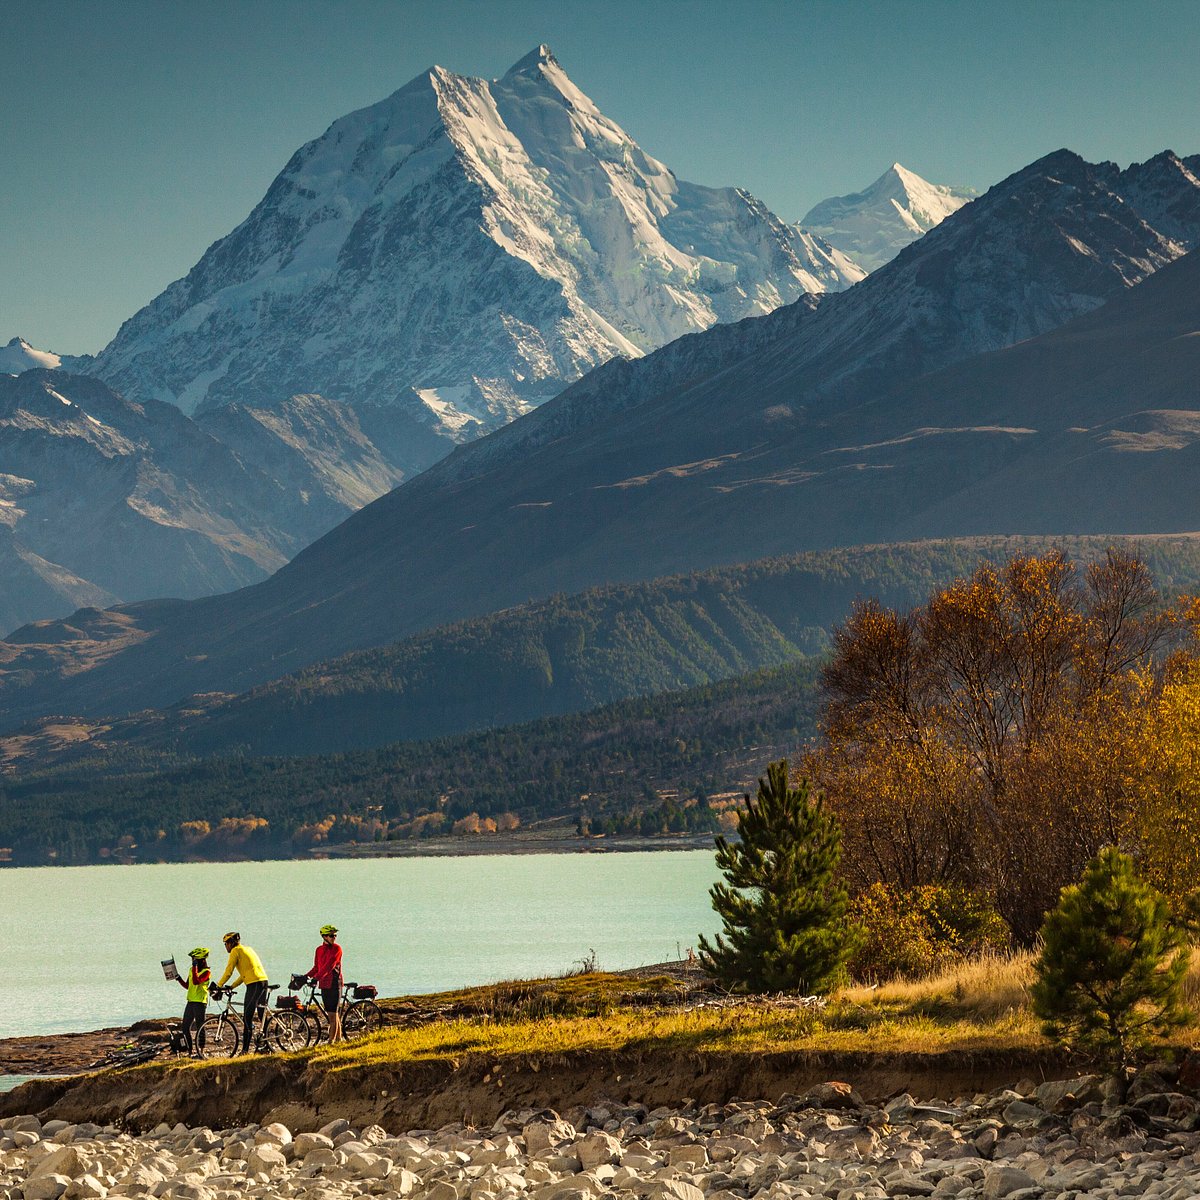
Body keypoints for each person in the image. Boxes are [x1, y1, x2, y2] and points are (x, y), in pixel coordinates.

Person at [216, 931, 269, 1054]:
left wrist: (219, 985)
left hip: (254, 984)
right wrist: (232, 986)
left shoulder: (235, 951)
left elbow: (229, 971)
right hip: (262, 981)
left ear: (231, 943)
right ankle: (265, 1045)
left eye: (225, 944)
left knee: (247, 1017)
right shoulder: (247, 949)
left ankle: (245, 1050)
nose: (225, 947)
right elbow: (245, 974)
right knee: (261, 1015)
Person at [308, 924, 344, 1043]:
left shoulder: (337, 949)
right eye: (331, 935)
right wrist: (305, 977)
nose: (334, 937)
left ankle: (331, 1042)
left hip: (334, 984)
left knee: (332, 1016)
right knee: (333, 1014)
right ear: (324, 936)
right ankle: (339, 1039)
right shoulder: (319, 950)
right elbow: (317, 967)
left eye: (335, 935)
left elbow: (330, 966)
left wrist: (316, 978)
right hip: (324, 984)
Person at [176, 947, 211, 1058]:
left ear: (201, 960)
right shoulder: (192, 970)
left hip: (200, 1002)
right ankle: (190, 1051)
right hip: (191, 1001)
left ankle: (201, 1051)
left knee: (200, 1027)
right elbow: (188, 985)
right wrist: (179, 979)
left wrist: (195, 967)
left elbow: (196, 982)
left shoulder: (207, 972)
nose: (192, 961)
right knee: (185, 1027)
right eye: (192, 959)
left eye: (194, 959)